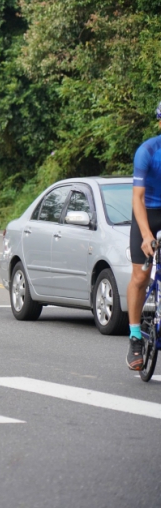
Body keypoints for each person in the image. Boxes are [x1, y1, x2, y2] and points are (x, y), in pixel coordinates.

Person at [126, 101, 161, 370]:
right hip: (147, 211)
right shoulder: (147, 151)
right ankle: (136, 336)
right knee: (140, 275)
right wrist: (147, 234)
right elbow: (136, 199)